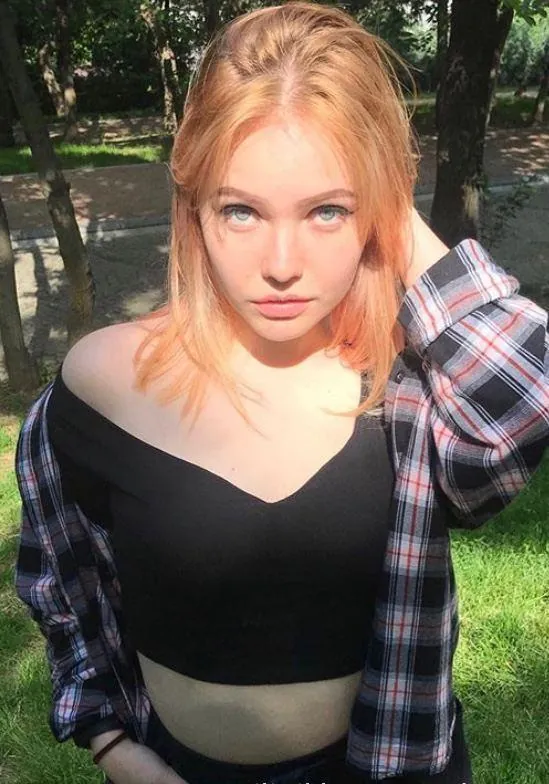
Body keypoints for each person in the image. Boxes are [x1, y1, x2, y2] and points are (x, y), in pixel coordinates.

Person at [13, 3, 549, 783]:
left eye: (327, 210)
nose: (281, 264)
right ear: (194, 207)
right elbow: (60, 585)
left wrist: (385, 198)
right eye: (241, 209)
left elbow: (525, 396)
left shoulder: (405, 385)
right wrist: (112, 747)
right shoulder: (105, 384)